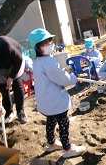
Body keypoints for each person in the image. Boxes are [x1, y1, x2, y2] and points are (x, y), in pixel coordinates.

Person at [27, 28, 86, 158]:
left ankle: (51, 143)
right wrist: (73, 78)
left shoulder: (37, 61)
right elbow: (61, 78)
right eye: (45, 44)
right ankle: (67, 149)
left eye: (50, 42)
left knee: (51, 121)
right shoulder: (48, 62)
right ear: (37, 48)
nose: (49, 45)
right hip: (55, 100)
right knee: (64, 124)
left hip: (46, 101)